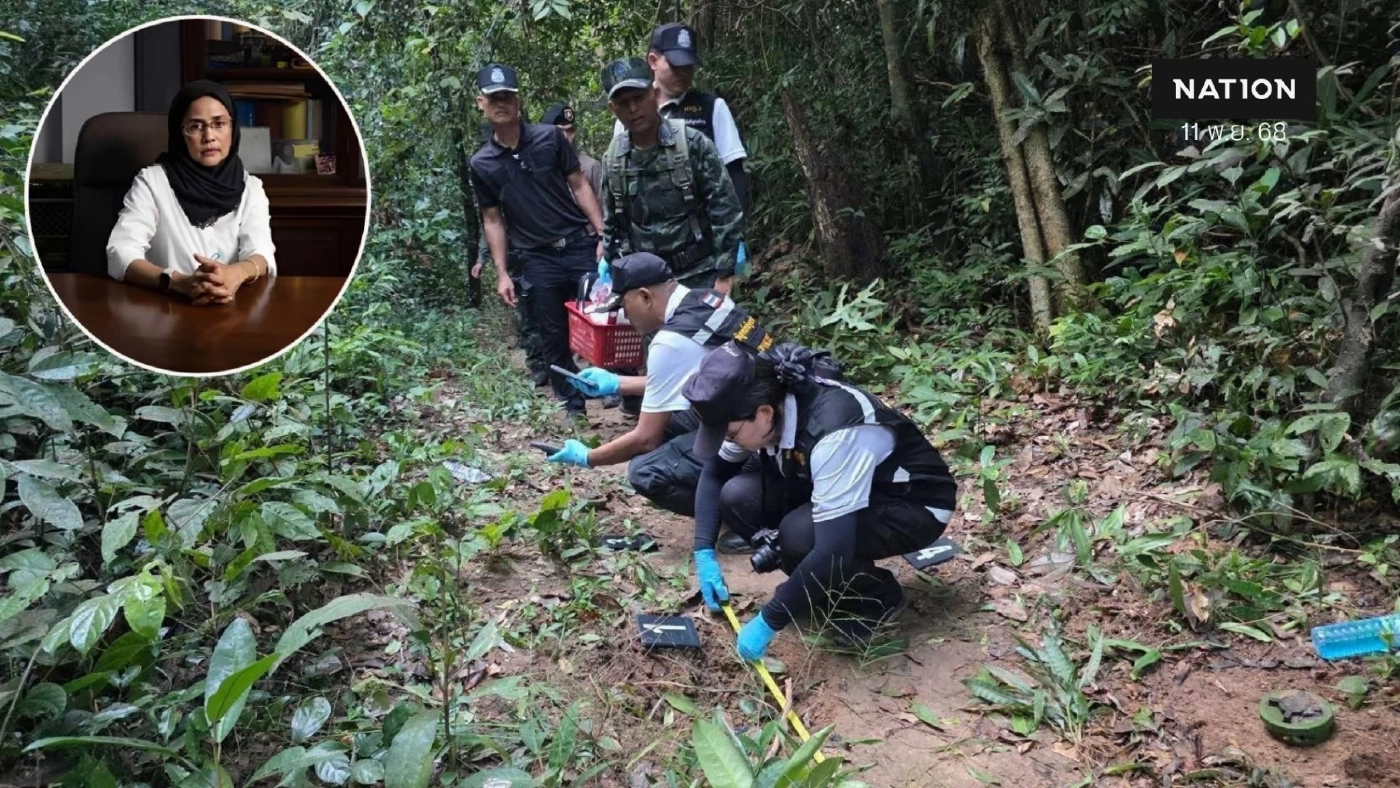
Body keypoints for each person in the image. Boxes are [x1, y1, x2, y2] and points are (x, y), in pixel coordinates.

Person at [682, 342, 958, 659]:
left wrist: (769, 620)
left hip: (913, 504)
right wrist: (703, 550)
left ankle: (876, 597)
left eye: (729, 435)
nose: (726, 442)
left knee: (800, 538)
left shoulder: (833, 432)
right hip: (835, 485)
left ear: (764, 413)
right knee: (737, 497)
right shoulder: (764, 406)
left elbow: (833, 549)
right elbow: (714, 474)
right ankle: (820, 583)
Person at [544, 253, 775, 551]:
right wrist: (618, 384)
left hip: (757, 440)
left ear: (644, 296)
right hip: (769, 419)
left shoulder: (670, 341)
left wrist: (588, 457)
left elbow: (646, 439)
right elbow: (690, 379)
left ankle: (751, 518)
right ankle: (748, 496)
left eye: (624, 306)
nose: (625, 316)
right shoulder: (708, 300)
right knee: (671, 418)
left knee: (645, 471)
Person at [469, 63, 606, 415]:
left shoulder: (550, 138)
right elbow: (492, 218)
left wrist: (603, 234)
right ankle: (572, 404)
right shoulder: (482, 163)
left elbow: (579, 185)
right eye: (493, 97)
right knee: (552, 334)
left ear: (518, 101)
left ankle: (613, 389)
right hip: (536, 257)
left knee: (600, 320)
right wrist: (501, 272)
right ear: (480, 103)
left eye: (507, 96)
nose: (501, 103)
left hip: (576, 245)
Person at [106, 80, 276, 304]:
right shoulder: (153, 182)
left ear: (232, 129)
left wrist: (234, 274)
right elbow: (121, 251)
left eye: (219, 124)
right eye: (196, 126)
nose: (209, 136)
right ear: (180, 133)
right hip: (163, 310)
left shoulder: (251, 187)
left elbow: (261, 251)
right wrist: (177, 282)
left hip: (231, 309)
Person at [599, 57, 742, 293]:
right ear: (613, 109)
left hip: (699, 276)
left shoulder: (691, 144)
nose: (633, 109)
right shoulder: (614, 159)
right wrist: (616, 271)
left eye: (638, 98)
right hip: (646, 285)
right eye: (623, 103)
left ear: (654, 95)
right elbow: (612, 223)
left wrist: (725, 274)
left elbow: (724, 209)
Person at [612, 24, 749, 212]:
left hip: (703, 228)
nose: (683, 72)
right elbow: (617, 177)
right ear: (653, 61)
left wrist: (737, 232)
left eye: (688, 65)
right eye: (675, 65)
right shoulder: (629, 113)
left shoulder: (712, 108)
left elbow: (734, 172)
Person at [471, 122, 548, 387]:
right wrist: (484, 260)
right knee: (527, 311)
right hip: (515, 254)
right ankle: (538, 364)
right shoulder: (485, 170)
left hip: (537, 245)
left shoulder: (523, 166)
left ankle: (556, 362)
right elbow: (491, 224)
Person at [540, 101, 604, 201]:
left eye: (570, 131)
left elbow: (604, 212)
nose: (566, 137)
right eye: (560, 132)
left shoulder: (591, 168)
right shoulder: (538, 168)